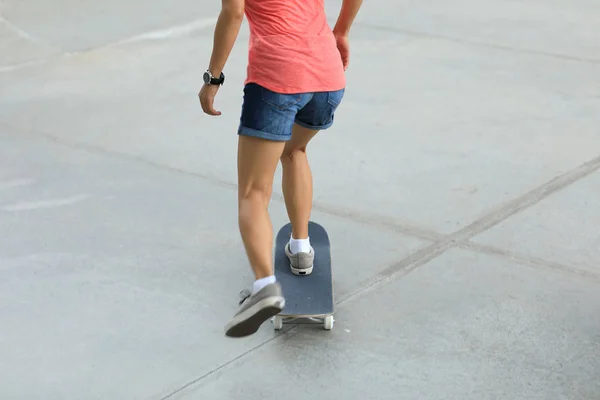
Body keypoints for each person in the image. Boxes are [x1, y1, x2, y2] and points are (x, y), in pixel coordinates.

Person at [198, 0, 363, 338]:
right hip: (328, 77)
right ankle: (300, 248)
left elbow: (233, 13)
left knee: (253, 192)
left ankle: (264, 287)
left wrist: (213, 78)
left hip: (277, 77)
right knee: (295, 150)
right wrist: (342, 31)